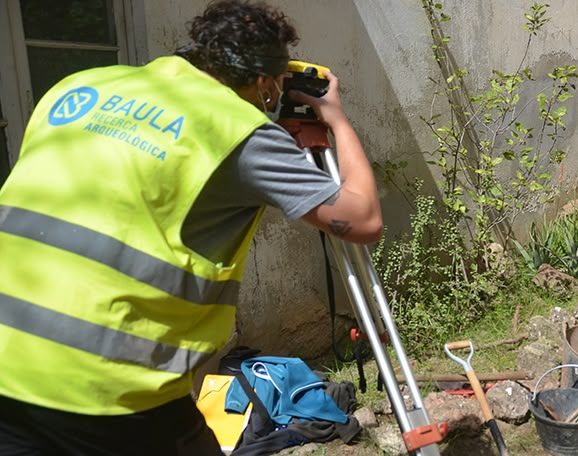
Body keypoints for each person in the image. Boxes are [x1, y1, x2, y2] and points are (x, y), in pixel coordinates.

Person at [0, 1, 382, 454]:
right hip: (108, 385)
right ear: (263, 82)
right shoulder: (237, 131)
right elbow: (363, 219)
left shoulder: (79, 86)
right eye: (279, 84)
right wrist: (335, 118)